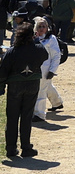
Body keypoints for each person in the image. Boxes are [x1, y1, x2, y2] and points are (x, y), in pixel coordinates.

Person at [0, 23, 49, 157]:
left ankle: (11, 148)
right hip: (32, 84)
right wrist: (36, 41)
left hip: (15, 86)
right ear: (32, 35)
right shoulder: (38, 49)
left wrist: (1, 87)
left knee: (12, 117)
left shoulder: (12, 51)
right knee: (27, 117)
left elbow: (3, 71)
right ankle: (26, 147)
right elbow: (45, 56)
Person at [32, 17, 63, 121]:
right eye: (39, 26)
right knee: (46, 87)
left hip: (45, 70)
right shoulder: (33, 38)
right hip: (34, 69)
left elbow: (56, 56)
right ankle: (57, 102)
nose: (41, 28)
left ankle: (39, 114)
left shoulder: (51, 39)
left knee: (41, 91)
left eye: (44, 26)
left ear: (47, 28)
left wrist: (52, 71)